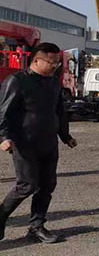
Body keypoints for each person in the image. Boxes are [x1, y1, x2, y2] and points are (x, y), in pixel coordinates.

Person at [0, 42, 77, 243]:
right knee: (27, 185)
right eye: (52, 62)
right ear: (36, 60)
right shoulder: (17, 81)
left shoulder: (53, 83)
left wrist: (65, 136)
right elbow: (3, 111)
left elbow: (59, 111)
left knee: (47, 185)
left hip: (48, 142)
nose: (55, 66)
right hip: (24, 142)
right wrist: (4, 137)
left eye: (57, 63)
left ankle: (36, 227)